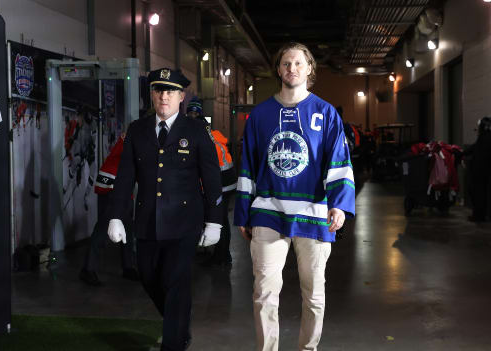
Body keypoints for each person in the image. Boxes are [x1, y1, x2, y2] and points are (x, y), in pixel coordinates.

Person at [234, 42, 356, 351]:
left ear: (309, 69)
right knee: (263, 292)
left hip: (313, 214)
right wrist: (242, 214)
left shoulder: (325, 113)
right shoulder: (260, 115)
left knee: (314, 294)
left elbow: (339, 162)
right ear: (278, 70)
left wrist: (339, 205)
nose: (292, 68)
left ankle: (308, 349)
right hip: (267, 212)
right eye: (286, 63)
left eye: (298, 63)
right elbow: (247, 165)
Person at [107, 68, 223, 350]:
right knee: (148, 277)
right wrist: (116, 216)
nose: (164, 96)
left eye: (171, 91)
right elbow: (125, 177)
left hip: (184, 221)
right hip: (147, 220)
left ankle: (174, 342)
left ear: (181, 96)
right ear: (152, 95)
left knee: (175, 280)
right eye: (159, 90)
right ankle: (180, 320)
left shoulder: (196, 130)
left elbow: (211, 177)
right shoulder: (138, 129)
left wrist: (214, 221)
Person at [79, 133, 139, 286]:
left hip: (123, 186)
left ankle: (128, 266)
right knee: (104, 227)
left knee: (128, 228)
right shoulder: (137, 132)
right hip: (111, 184)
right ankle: (88, 269)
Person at [186, 96, 237, 267]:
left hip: (221, 182)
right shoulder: (213, 132)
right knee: (222, 219)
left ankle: (221, 256)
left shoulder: (198, 133)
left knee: (219, 219)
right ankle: (223, 255)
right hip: (229, 180)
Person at [464, 116, 491, 222]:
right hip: (483, 171)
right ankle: (480, 215)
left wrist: (461, 153)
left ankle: (478, 215)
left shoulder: (484, 138)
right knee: (481, 193)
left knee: (476, 193)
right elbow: (474, 148)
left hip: (479, 171)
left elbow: (475, 149)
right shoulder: (486, 137)